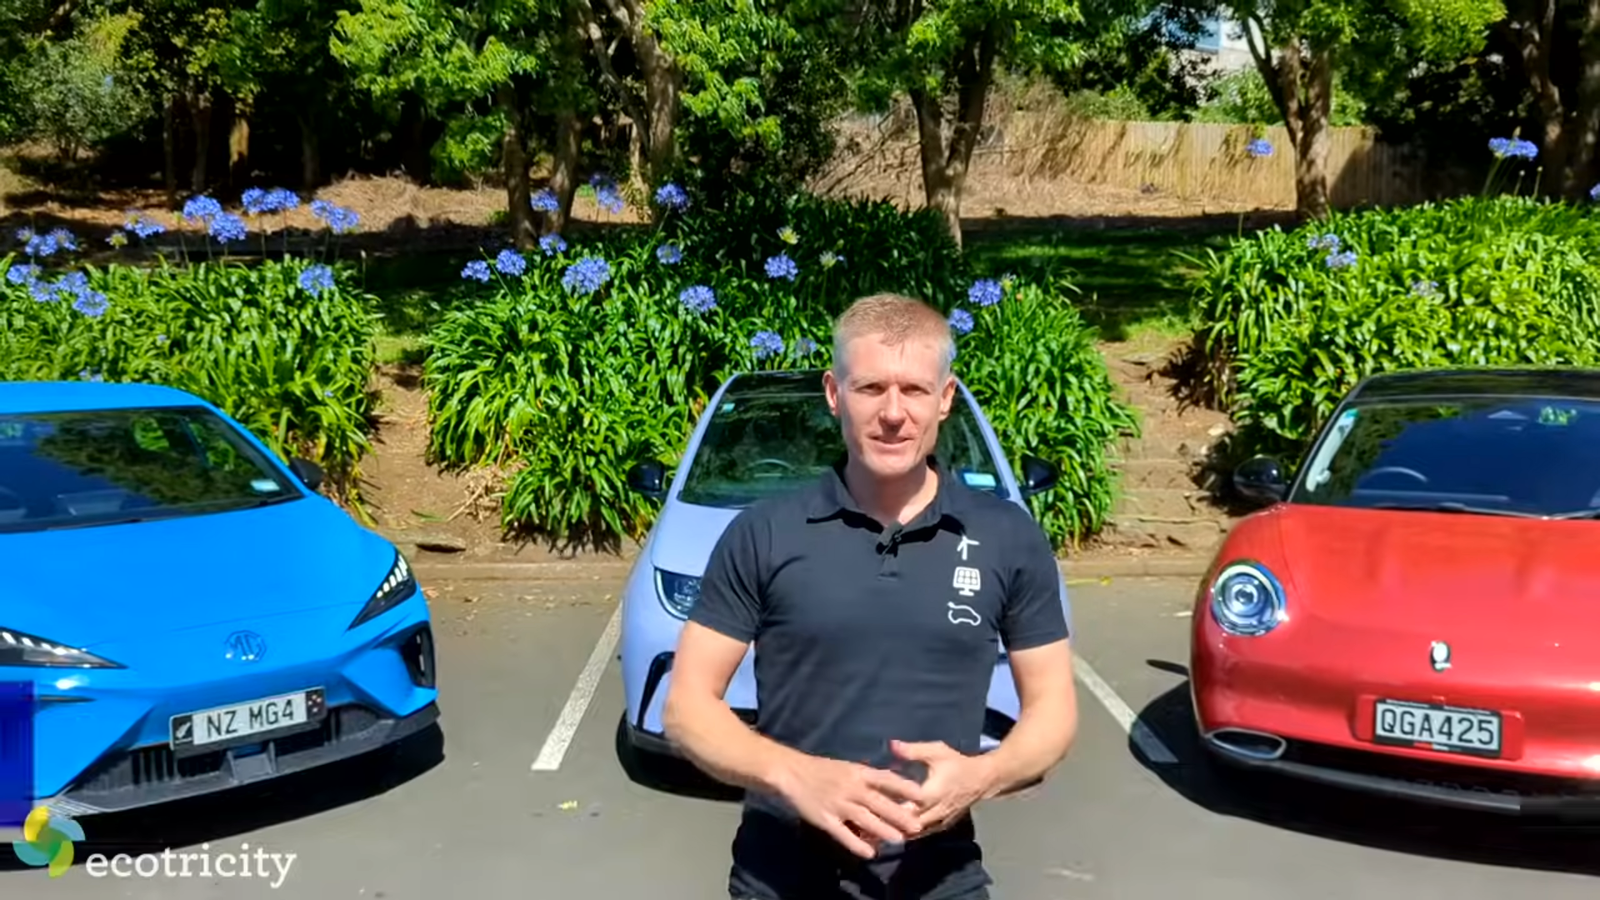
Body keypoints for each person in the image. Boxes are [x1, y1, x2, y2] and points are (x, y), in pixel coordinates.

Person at [662, 292, 1079, 900]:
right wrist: (794, 775)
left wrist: (983, 775)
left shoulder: (1007, 536)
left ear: (944, 399)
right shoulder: (764, 532)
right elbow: (687, 706)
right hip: (782, 874)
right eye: (870, 388)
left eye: (913, 390)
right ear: (835, 395)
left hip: (938, 874)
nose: (892, 413)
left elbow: (1053, 711)